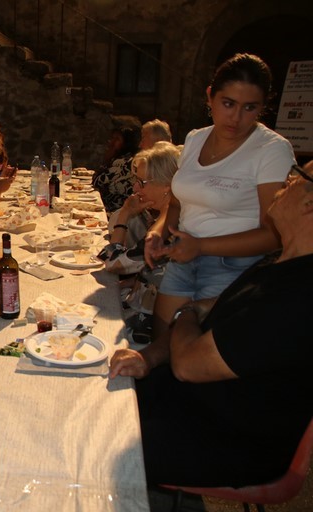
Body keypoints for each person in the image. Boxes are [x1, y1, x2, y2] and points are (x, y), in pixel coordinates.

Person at [109, 161, 313, 488]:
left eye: (298, 175)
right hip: (188, 402)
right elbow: (206, 318)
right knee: (88, 391)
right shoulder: (278, 261)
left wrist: (186, 312)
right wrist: (147, 357)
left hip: (226, 441)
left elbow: (189, 362)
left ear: (309, 203)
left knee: (88, 438)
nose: (287, 179)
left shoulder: (300, 297)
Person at [145, 53, 296, 338]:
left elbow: (275, 234)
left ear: (262, 107)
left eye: (250, 108)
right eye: (228, 104)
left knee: (194, 354)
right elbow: (177, 203)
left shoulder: (271, 150)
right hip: (183, 255)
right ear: (210, 96)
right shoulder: (195, 139)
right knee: (162, 344)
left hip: (233, 267)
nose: (236, 118)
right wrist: (157, 232)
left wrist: (202, 246)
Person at [97, 142, 181, 343]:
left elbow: (112, 262)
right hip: (142, 303)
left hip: (146, 326)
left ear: (167, 186)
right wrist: (135, 279)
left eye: (142, 182)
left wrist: (125, 214)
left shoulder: (167, 229)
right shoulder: (165, 217)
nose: (135, 188)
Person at [92, 126, 141, 212]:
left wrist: (107, 159)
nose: (111, 142)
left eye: (117, 139)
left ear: (126, 143)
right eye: (112, 138)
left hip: (116, 209)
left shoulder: (124, 162)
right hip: (114, 205)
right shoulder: (124, 158)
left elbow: (97, 181)